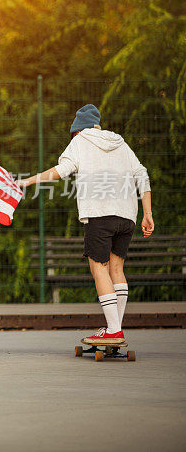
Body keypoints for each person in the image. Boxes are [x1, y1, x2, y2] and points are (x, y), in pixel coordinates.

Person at [18, 104, 153, 345]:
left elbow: (62, 170)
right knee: (117, 268)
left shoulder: (80, 141)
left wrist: (28, 181)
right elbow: (141, 173)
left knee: (99, 268)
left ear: (77, 130)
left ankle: (113, 330)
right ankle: (115, 328)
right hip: (127, 215)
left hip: (100, 214)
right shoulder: (120, 142)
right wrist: (147, 212)